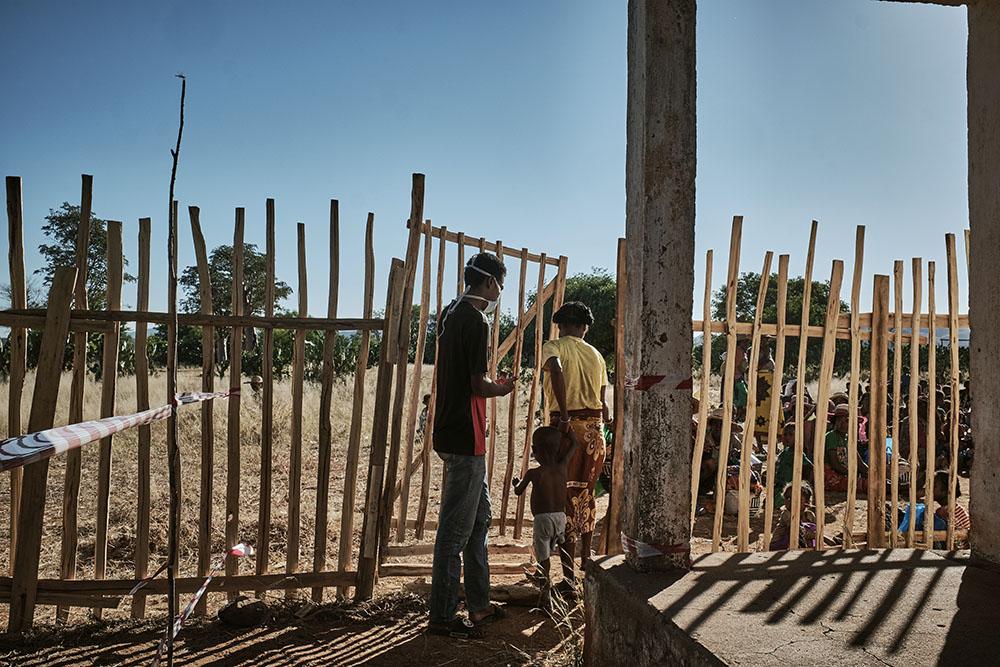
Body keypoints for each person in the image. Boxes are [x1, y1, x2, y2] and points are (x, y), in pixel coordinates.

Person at [428, 253, 514, 638]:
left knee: (477, 522)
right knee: (455, 532)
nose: (500, 291)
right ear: (489, 283)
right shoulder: (475, 320)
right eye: (500, 283)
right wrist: (505, 387)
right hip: (466, 437)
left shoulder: (449, 314)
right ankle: (443, 616)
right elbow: (478, 384)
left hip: (454, 432)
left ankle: (479, 606)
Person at [540, 301, 609, 597]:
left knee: (565, 498)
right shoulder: (595, 354)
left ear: (560, 325)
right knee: (586, 495)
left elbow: (554, 368)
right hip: (595, 430)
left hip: (566, 430)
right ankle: (586, 563)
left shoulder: (553, 346)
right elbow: (604, 401)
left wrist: (565, 416)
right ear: (584, 327)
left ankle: (568, 578)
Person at [512, 426, 579, 595]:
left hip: (542, 521)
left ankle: (545, 594)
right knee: (562, 545)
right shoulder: (562, 466)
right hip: (561, 518)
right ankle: (569, 581)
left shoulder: (534, 473)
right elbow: (575, 444)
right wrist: (569, 431)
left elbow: (518, 491)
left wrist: (515, 483)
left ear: (534, 450)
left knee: (544, 558)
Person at [824, 403, 868, 493]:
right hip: (833, 476)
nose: (842, 424)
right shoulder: (831, 436)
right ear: (834, 422)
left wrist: (871, 472)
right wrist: (852, 474)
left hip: (846, 474)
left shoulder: (848, 438)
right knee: (867, 485)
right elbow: (835, 464)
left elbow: (859, 462)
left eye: (846, 421)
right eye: (839, 420)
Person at [772, 422, 813, 507]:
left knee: (781, 501)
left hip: (792, 487)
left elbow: (810, 468)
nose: (787, 437)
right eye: (785, 434)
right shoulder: (784, 453)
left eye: (791, 435)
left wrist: (804, 483)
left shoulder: (798, 454)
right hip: (780, 486)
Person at [769, 481, 817, 550]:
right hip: (779, 546)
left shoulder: (810, 515)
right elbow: (797, 530)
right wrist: (821, 537)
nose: (791, 502)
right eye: (788, 498)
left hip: (803, 546)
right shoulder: (786, 513)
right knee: (793, 531)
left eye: (796, 499)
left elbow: (815, 532)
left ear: (806, 502)